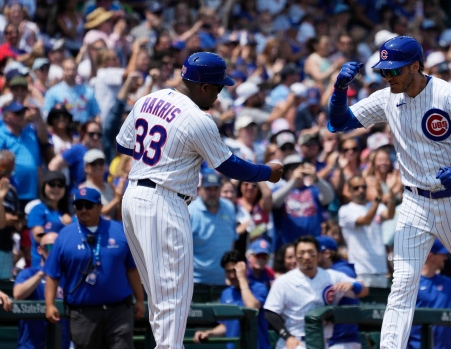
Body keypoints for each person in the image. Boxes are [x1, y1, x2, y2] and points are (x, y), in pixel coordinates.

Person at [327, 36, 451, 347]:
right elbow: (338, 123)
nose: (387, 77)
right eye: (383, 72)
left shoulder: (446, 94)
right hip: (414, 201)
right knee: (402, 284)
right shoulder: (388, 97)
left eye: (394, 71)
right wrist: (339, 90)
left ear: (415, 66)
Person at [116, 52, 283, 349]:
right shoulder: (197, 118)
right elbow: (228, 165)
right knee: (175, 294)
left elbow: (123, 144)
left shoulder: (148, 99)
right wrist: (267, 172)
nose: (219, 94)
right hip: (164, 201)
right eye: (218, 87)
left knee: (159, 295)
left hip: (133, 196)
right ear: (203, 87)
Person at [44, 188, 145, 349]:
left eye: (89, 205)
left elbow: (132, 269)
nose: (84, 210)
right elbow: (52, 274)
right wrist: (49, 304)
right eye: (79, 206)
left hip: (118, 311)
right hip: (83, 314)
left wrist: (139, 299)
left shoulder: (119, 231)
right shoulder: (64, 235)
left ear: (100, 207)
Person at [264, 235, 369, 349]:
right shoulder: (284, 281)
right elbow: (270, 312)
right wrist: (287, 337)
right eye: (302, 252)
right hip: (296, 340)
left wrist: (353, 285)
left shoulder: (331, 276)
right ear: (295, 256)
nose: (306, 256)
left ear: (319, 255)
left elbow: (364, 291)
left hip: (325, 341)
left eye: (311, 252)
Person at [193, 250, 270, 349]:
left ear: (244, 268)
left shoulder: (259, 288)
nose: (232, 276)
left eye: (234, 271)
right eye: (228, 271)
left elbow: (252, 308)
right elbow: (226, 326)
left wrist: (242, 278)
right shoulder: (226, 294)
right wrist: (208, 333)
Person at [337, 175, 397, 287]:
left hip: (380, 268)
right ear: (349, 190)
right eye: (356, 188)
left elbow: (390, 215)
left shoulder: (376, 206)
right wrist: (378, 200)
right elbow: (366, 221)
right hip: (361, 270)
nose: (361, 190)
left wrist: (391, 195)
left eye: (364, 187)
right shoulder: (345, 210)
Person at [14, 231, 70, 349]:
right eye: (50, 247)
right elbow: (18, 294)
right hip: (31, 345)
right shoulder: (29, 273)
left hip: (61, 344)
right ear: (40, 250)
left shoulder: (69, 275)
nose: (54, 251)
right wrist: (43, 273)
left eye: (57, 247)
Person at [190, 170, 237, 286]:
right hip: (196, 281)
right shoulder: (191, 211)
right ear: (200, 190)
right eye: (208, 189)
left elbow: (232, 241)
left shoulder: (229, 207)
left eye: (215, 189)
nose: (212, 193)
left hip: (223, 280)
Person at [317, 235, 362, 349]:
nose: (310, 256)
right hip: (334, 338)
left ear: (326, 253)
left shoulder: (342, 270)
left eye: (315, 252)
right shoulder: (329, 270)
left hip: (342, 339)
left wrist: (353, 285)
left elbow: (361, 288)